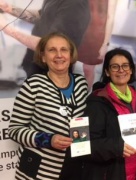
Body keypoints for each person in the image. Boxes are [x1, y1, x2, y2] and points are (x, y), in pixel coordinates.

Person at [8, 32, 88, 179]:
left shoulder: (81, 84)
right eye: (52, 50)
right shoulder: (33, 85)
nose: (59, 55)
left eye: (64, 50)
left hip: (74, 166)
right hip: (40, 171)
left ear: (71, 55)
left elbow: (81, 123)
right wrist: (48, 139)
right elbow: (14, 130)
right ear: (43, 57)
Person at [80, 48, 136, 180]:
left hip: (134, 173)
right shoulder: (96, 102)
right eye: (115, 67)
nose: (121, 70)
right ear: (107, 71)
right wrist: (116, 147)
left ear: (131, 70)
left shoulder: (134, 97)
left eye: (125, 65)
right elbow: (81, 146)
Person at [0, 0, 90, 77]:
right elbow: (43, 16)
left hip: (51, 75)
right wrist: (10, 9)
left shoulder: (75, 4)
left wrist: (8, 29)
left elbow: (51, 45)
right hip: (36, 68)